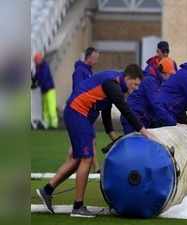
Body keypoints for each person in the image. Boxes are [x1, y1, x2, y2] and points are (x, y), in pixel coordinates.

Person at [36, 64, 156, 218]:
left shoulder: (114, 82)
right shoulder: (113, 85)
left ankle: (47, 191)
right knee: (87, 158)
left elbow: (106, 108)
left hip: (77, 115)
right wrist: (144, 132)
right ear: (127, 78)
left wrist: (111, 133)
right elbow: (126, 110)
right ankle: (78, 207)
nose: (137, 88)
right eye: (135, 84)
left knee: (78, 159)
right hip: (78, 114)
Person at [121, 57, 176, 133]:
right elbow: (156, 104)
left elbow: (159, 104)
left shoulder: (154, 81)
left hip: (137, 117)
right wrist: (172, 123)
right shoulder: (150, 81)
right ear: (164, 73)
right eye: (170, 74)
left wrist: (171, 120)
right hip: (134, 118)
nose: (170, 77)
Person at [71, 47, 100, 172]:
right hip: (81, 111)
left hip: (87, 111)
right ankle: (96, 168)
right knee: (88, 139)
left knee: (90, 139)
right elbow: (79, 90)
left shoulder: (88, 71)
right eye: (95, 58)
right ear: (88, 57)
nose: (96, 61)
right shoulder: (80, 71)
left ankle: (96, 168)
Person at [32, 52, 58, 129]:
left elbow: (43, 77)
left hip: (49, 89)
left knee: (51, 107)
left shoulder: (44, 66)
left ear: (39, 59)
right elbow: (37, 76)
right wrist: (33, 80)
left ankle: (54, 124)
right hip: (44, 89)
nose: (35, 62)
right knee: (45, 108)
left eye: (35, 60)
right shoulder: (38, 66)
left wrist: (36, 84)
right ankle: (46, 123)